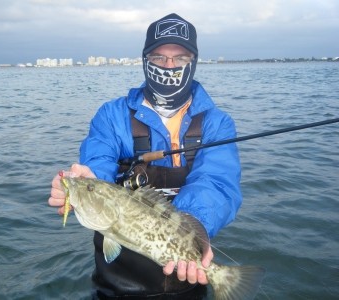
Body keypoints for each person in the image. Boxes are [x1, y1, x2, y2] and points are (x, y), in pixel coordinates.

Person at [49, 13, 242, 299]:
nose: (169, 65)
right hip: (115, 285)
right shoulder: (111, 116)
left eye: (181, 58)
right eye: (158, 57)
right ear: (144, 60)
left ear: (194, 62)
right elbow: (97, 161)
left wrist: (195, 229)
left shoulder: (217, 123)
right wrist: (86, 179)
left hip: (186, 279)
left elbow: (216, 181)